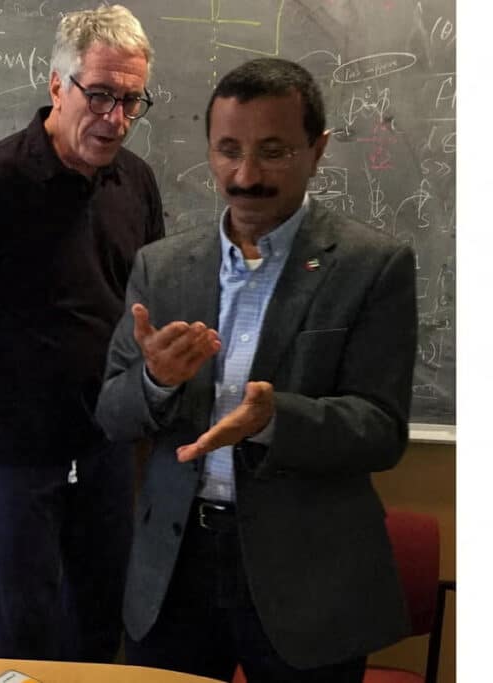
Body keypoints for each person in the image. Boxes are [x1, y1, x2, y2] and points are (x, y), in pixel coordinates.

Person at [95, 57, 417, 682]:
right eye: (229, 151)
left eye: (273, 152)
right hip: (175, 569)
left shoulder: (372, 266)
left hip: (309, 577)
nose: (245, 176)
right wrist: (156, 381)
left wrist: (275, 419)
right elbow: (111, 413)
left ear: (317, 150)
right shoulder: (162, 267)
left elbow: (382, 430)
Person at [0, 5, 164, 663]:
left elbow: (146, 305)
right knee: (27, 630)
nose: (115, 118)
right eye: (100, 95)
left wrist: (147, 416)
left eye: (131, 101)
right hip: (17, 450)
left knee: (103, 619)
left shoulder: (135, 181)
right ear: (57, 84)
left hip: (108, 442)